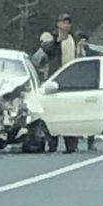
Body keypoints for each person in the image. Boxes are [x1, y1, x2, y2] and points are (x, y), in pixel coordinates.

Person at [39, 13, 79, 154]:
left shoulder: (74, 38)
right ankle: (52, 143)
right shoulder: (49, 36)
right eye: (63, 22)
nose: (66, 25)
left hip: (71, 80)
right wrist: (57, 41)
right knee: (52, 112)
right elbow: (46, 49)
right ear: (57, 24)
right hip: (54, 80)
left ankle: (71, 144)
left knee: (71, 114)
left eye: (68, 22)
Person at [76, 32, 98, 151]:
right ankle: (75, 142)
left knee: (90, 113)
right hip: (77, 86)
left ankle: (91, 141)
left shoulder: (92, 54)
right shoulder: (74, 54)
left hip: (89, 86)